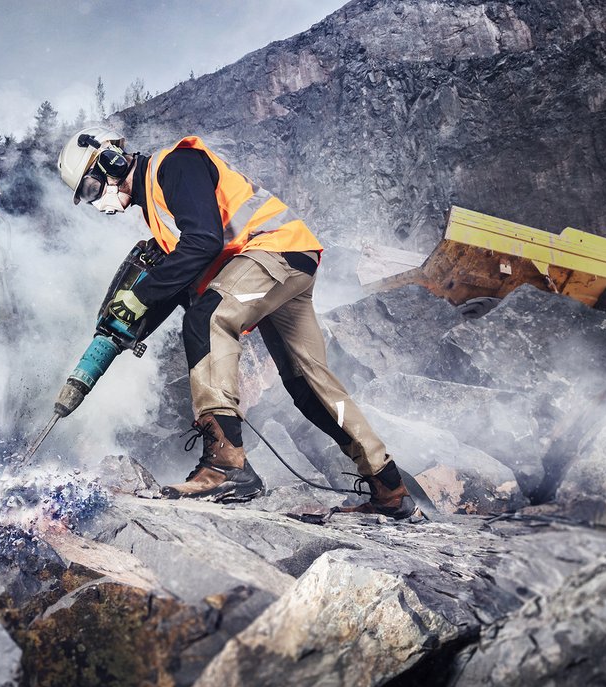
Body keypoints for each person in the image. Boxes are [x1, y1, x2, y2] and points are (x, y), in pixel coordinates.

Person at [57, 127, 419, 519]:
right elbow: (186, 276)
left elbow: (205, 242)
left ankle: (227, 465)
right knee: (307, 384)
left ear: (111, 160)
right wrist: (133, 322)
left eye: (93, 189)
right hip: (286, 258)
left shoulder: (174, 165)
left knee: (208, 317)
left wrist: (140, 296)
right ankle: (390, 488)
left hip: (273, 251)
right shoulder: (156, 213)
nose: (98, 204)